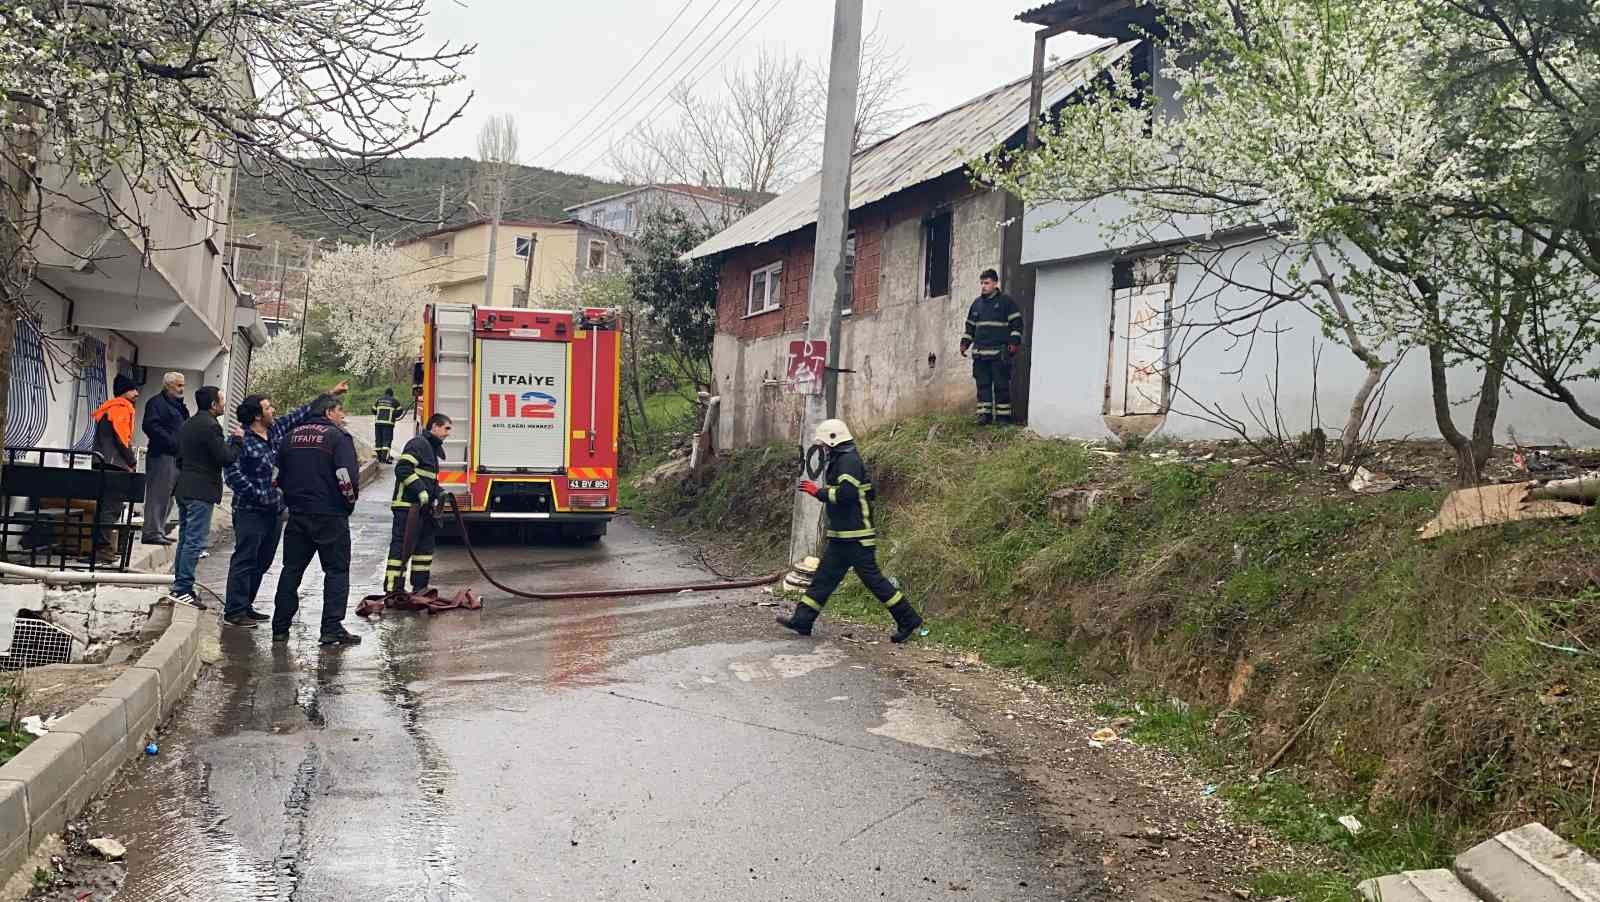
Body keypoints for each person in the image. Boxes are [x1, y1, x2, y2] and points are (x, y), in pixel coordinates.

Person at [777, 418, 924, 643]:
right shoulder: (841, 459)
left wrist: (819, 492)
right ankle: (802, 620)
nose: (823, 448)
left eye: (825, 444)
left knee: (874, 582)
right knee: (823, 579)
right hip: (842, 537)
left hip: (856, 538)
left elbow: (846, 494)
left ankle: (908, 619)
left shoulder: (848, 461)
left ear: (834, 441)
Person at [220, 381, 349, 629]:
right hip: (250, 510)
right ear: (257, 415)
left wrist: (329, 393)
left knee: (263, 561)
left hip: (274, 512)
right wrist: (260, 495)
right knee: (245, 559)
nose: (273, 410)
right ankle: (234, 611)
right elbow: (232, 475)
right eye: (268, 408)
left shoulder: (275, 431)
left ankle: (247, 604)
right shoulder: (240, 440)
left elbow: (299, 413)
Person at [273, 394, 362, 646]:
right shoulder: (338, 437)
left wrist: (289, 501)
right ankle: (331, 628)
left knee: (291, 570)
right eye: (340, 411)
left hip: (298, 515)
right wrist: (348, 503)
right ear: (329, 412)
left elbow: (276, 476)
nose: (343, 416)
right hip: (330, 515)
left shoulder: (290, 437)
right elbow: (346, 477)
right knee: (336, 571)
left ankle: (279, 627)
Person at [169, 386, 242, 608]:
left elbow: (179, 458)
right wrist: (237, 440)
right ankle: (183, 588)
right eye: (221, 399)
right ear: (212, 405)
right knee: (195, 541)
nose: (223, 403)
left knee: (185, 538)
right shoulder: (211, 427)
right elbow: (225, 457)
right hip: (201, 491)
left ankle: (180, 585)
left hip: (184, 487)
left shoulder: (187, 424)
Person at [384, 414, 451, 597]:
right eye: (446, 428)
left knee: (424, 547)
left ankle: (420, 588)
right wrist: (420, 491)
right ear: (435, 427)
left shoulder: (431, 449)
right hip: (407, 505)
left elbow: (429, 480)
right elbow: (403, 469)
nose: (448, 434)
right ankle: (393, 588)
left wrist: (440, 493)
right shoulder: (418, 444)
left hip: (421, 508)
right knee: (402, 547)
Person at [86, 375, 140, 564]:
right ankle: (103, 549)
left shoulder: (109, 407)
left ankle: (100, 548)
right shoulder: (121, 408)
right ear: (124, 391)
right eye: (133, 389)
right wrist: (131, 461)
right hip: (114, 464)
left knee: (103, 507)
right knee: (111, 507)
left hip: (102, 462)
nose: (137, 393)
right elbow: (122, 437)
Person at [960, 269, 1025, 425]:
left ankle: (1003, 418)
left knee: (1001, 386)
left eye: (987, 283)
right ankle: (984, 416)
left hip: (999, 354)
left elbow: (1017, 325)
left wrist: (1014, 342)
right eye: (982, 283)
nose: (983, 286)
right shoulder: (976, 305)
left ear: (995, 283)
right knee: (982, 386)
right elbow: (970, 328)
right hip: (980, 355)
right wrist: (964, 343)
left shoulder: (1006, 303)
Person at [140, 372, 188, 545]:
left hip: (175, 456)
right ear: (168, 385)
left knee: (168, 496)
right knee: (158, 494)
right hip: (162, 455)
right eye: (179, 385)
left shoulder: (178, 405)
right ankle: (152, 531)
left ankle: (159, 529)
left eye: (182, 385)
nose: (182, 389)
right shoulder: (157, 403)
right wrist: (172, 442)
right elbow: (150, 426)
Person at [371, 388, 402, 464]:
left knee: (378, 440)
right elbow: (400, 410)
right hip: (388, 424)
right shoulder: (394, 401)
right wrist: (394, 415)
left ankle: (379, 458)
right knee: (386, 441)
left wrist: (378, 413)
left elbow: (373, 409)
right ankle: (384, 458)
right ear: (392, 394)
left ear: (385, 393)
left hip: (378, 423)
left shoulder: (379, 400)